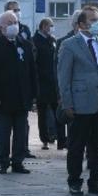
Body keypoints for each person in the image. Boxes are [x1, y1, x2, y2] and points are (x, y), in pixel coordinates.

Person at [57, 6, 98, 196]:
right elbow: (63, 76)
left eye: (97, 19)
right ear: (81, 24)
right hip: (80, 101)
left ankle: (95, 181)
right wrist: (67, 103)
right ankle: (74, 180)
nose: (96, 23)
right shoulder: (70, 44)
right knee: (77, 144)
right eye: (92, 20)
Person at [0, 11, 38, 174]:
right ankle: (3, 161)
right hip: (3, 98)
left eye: (15, 22)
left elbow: (32, 71)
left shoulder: (26, 45)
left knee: (21, 133)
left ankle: (18, 161)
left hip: (22, 97)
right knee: (2, 132)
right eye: (9, 23)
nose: (13, 25)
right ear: (1, 27)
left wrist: (34, 95)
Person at [33, 18, 63, 150]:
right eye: (50, 26)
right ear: (44, 26)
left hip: (54, 82)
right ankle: (44, 139)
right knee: (43, 113)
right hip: (41, 82)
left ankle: (61, 139)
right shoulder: (35, 41)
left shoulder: (52, 40)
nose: (52, 28)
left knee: (58, 110)